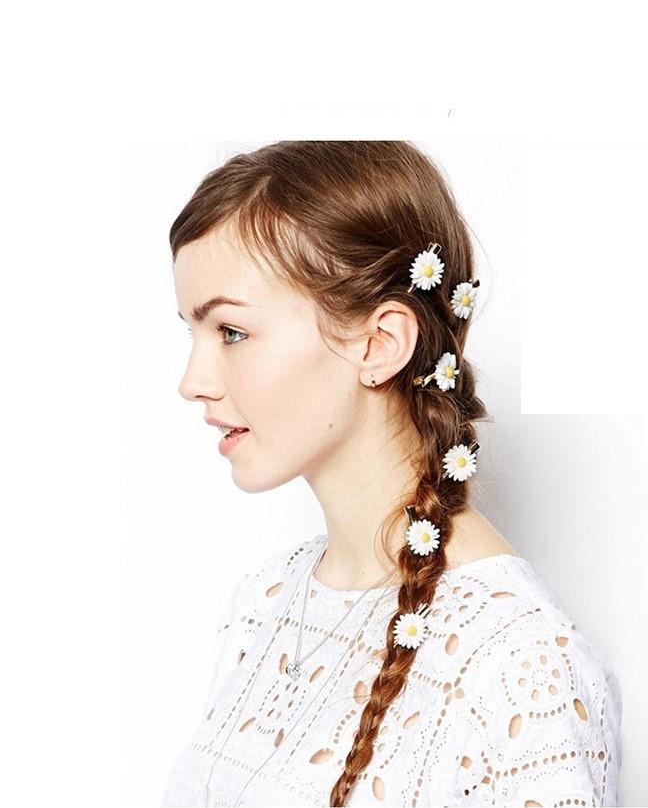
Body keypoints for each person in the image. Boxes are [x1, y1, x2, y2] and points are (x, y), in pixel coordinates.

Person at [161, 141, 622, 807]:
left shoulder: (519, 666)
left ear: (380, 344)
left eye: (231, 331)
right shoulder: (263, 605)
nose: (192, 382)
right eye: (193, 333)